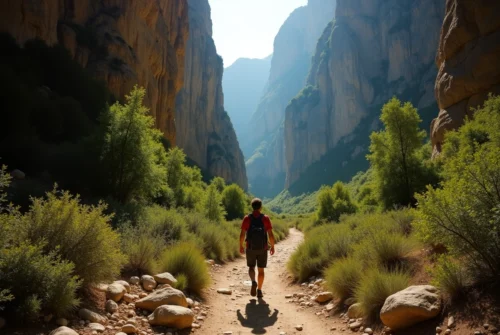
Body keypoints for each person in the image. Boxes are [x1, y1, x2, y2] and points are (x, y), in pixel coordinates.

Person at [239, 198, 276, 298]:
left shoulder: (247, 218)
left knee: (251, 267)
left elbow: (242, 234)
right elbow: (270, 235)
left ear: (252, 207)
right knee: (261, 270)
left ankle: (253, 281)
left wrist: (241, 246)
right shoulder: (265, 218)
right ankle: (259, 290)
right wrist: (272, 246)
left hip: (250, 248)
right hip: (262, 248)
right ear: (260, 207)